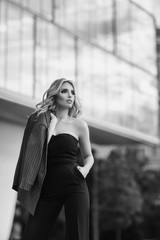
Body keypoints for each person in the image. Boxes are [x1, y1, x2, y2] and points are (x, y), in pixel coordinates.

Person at [12, 78, 94, 240]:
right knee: (32, 235)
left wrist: (84, 170)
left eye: (72, 92)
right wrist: (51, 125)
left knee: (77, 235)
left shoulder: (79, 125)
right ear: (55, 95)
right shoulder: (40, 121)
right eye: (64, 91)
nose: (70, 95)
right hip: (47, 186)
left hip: (74, 182)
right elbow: (38, 150)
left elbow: (88, 156)